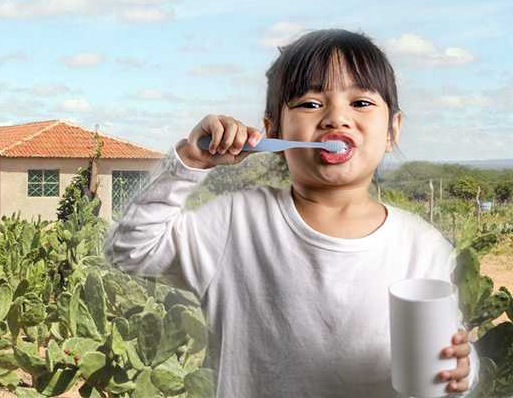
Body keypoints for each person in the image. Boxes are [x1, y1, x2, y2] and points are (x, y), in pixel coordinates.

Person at [104, 28, 480, 397]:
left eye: (361, 103)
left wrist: (462, 372)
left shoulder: (423, 246)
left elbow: (450, 349)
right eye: (311, 104)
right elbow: (130, 250)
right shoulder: (236, 222)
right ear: (272, 131)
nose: (336, 118)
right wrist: (191, 161)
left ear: (392, 130)